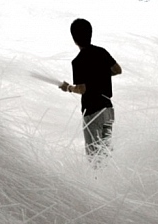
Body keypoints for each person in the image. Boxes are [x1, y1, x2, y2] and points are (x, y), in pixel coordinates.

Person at [59, 18, 122, 169]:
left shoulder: (78, 61)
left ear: (74, 39)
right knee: (106, 153)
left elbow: (82, 89)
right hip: (108, 110)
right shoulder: (102, 52)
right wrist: (101, 75)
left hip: (92, 113)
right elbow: (117, 70)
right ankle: (110, 181)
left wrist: (68, 87)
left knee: (95, 158)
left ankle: (98, 185)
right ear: (90, 34)